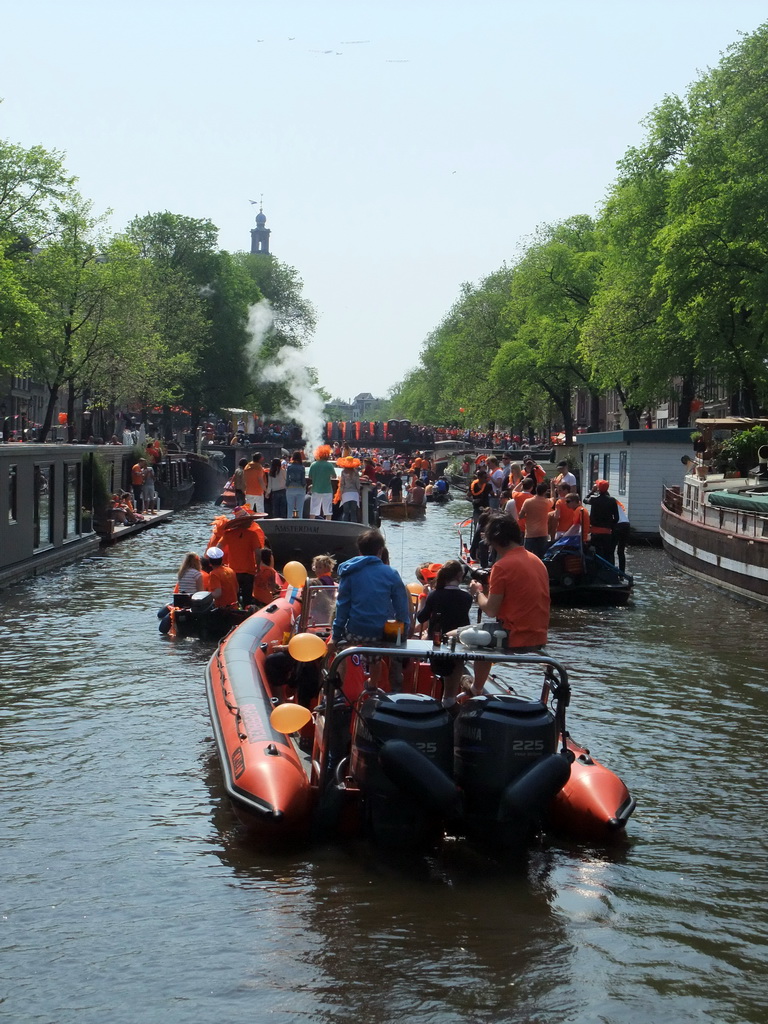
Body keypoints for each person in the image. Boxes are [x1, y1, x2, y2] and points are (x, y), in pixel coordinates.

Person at [468, 516, 550, 693]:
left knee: (452, 636)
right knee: (483, 631)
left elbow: (490, 610)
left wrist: (477, 592)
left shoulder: (502, 566)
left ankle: (473, 689)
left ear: (493, 540)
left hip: (513, 636)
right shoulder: (537, 561)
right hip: (539, 636)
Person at [328, 528, 411, 674]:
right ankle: (373, 685)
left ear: (360, 551)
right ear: (381, 550)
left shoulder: (349, 572)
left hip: (355, 630)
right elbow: (401, 606)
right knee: (375, 656)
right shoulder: (391, 573)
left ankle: (340, 684)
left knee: (340, 650)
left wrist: (335, 635)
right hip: (380, 633)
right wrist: (403, 631)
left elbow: (342, 606)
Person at [416, 560, 473, 708]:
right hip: (458, 644)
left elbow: (421, 617)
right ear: (460, 576)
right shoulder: (467, 598)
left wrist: (424, 597)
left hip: (436, 643)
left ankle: (438, 699)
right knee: (453, 674)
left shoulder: (435, 595)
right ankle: (450, 700)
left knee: (441, 670)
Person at [213, 506, 265, 606]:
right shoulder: (252, 535)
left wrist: (220, 564)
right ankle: (246, 615)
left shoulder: (228, 534)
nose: (251, 522)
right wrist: (258, 567)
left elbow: (217, 548)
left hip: (232, 572)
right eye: (249, 520)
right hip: (248, 571)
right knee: (247, 599)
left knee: (234, 598)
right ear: (244, 522)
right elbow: (258, 553)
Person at [585, 480, 620, 564]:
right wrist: (610, 526)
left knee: (595, 553)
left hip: (595, 532)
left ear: (598, 489)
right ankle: (609, 573)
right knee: (608, 554)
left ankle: (595, 571)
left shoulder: (594, 500)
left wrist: (592, 491)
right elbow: (617, 518)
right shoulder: (612, 500)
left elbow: (584, 500)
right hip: (607, 532)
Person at [518, 481, 552, 558]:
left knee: (527, 556)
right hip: (542, 533)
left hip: (530, 533)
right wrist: (552, 487)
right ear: (545, 492)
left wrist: (528, 514)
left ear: (536, 490)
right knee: (541, 556)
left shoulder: (528, 502)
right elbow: (553, 498)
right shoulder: (547, 502)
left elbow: (520, 516)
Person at [308, 445, 336, 519]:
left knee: (313, 510)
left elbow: (310, 476)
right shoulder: (329, 465)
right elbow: (334, 476)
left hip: (316, 489)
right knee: (328, 511)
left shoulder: (313, 465)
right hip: (327, 490)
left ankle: (312, 525)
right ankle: (328, 525)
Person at [285, 451, 307, 518]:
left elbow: (287, 479)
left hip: (291, 488)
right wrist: (304, 486)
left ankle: (289, 522)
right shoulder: (302, 467)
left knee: (290, 508)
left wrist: (287, 486)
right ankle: (299, 522)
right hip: (300, 488)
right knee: (299, 508)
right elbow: (303, 480)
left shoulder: (289, 467)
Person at [615, 499, 630, 574]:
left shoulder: (608, 504)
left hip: (618, 525)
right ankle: (622, 573)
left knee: (611, 550)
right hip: (626, 524)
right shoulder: (616, 503)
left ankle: (612, 571)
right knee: (621, 551)